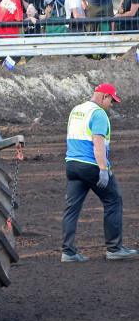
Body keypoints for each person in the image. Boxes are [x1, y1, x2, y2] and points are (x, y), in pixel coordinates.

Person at [62, 84, 136, 261]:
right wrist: (103, 169)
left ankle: (68, 252)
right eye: (111, 100)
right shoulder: (99, 114)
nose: (111, 105)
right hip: (91, 165)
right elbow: (98, 142)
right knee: (113, 200)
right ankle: (114, 249)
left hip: (72, 164)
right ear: (104, 96)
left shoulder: (77, 110)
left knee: (71, 208)